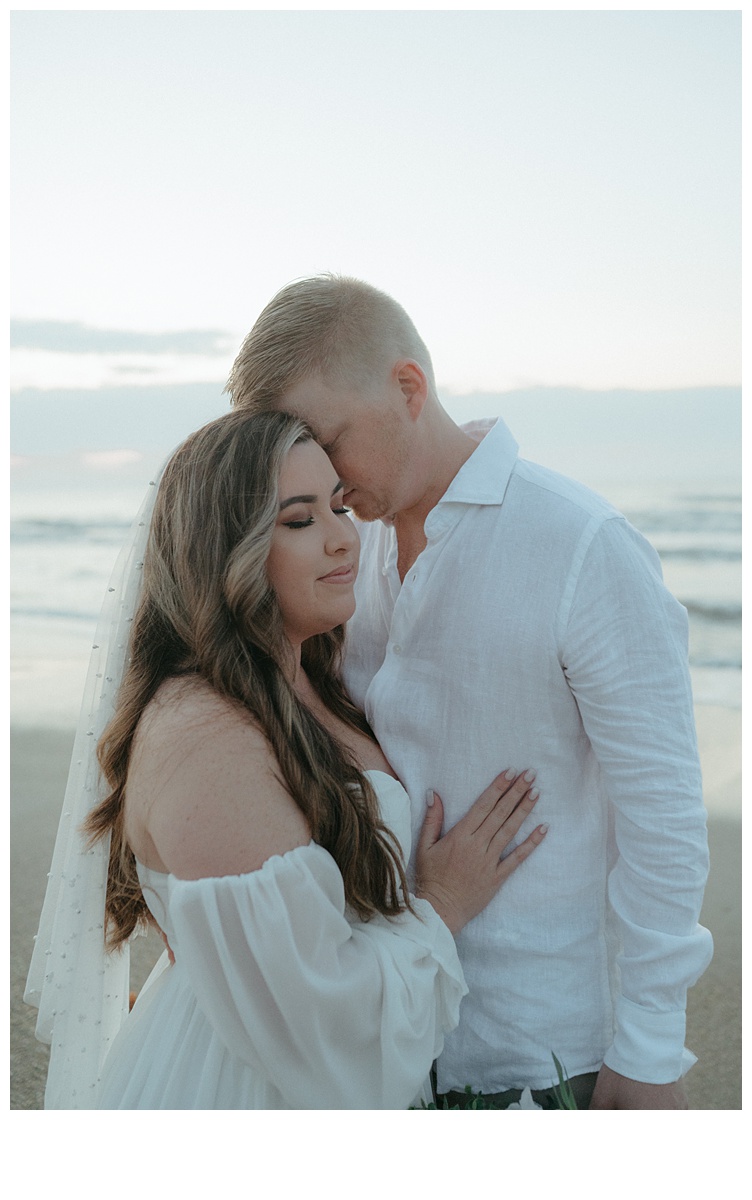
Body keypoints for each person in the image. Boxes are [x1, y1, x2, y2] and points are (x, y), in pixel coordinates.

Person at [225, 274, 714, 1110]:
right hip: (391, 1041)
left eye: (327, 437)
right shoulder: (350, 560)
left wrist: (651, 1047)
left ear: (408, 388)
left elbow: (663, 817)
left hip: (543, 1052)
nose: (321, 476)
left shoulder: (580, 547)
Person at [25, 408, 548, 1110]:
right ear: (225, 550)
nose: (343, 539)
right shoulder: (206, 736)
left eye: (339, 506)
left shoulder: (309, 676)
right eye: (299, 521)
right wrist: (442, 905)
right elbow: (327, 1040)